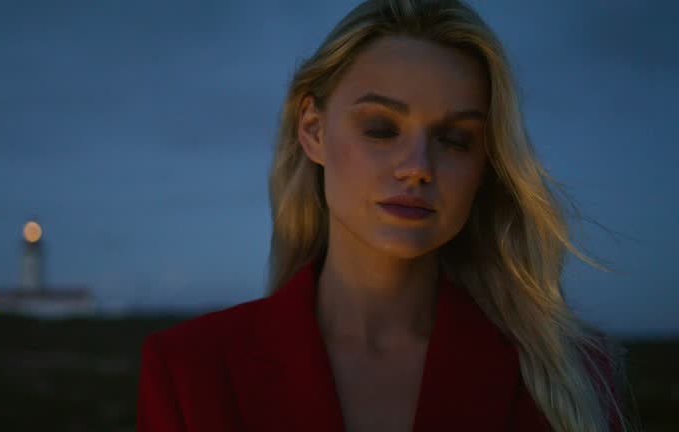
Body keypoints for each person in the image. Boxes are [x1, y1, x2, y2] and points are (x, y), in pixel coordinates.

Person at [137, 0, 634, 430]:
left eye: (456, 140)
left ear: (487, 166)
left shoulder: (572, 378)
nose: (418, 167)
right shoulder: (190, 370)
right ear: (313, 131)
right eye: (380, 128)